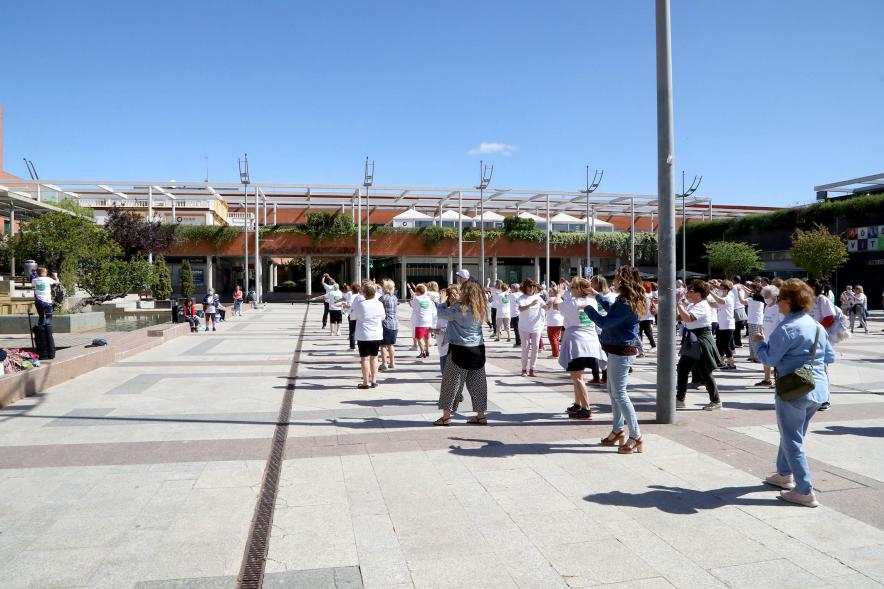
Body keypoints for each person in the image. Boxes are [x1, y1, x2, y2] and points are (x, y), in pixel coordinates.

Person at [755, 279, 836, 508]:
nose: (777, 302)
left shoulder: (787, 327)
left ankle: (804, 490)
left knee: (792, 439)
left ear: (790, 301)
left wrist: (759, 343)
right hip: (817, 388)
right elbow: (830, 357)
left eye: (780, 298)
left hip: (793, 388)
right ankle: (783, 474)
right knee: (793, 433)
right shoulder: (816, 325)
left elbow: (769, 359)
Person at [584, 266, 646, 454]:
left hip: (622, 351)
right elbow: (612, 312)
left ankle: (636, 435)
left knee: (619, 393)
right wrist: (596, 295)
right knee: (613, 391)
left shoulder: (627, 302)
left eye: (617, 278)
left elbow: (605, 322)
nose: (614, 281)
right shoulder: (625, 300)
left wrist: (586, 307)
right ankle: (618, 430)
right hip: (617, 349)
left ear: (624, 281)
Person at [433, 280, 489, 426]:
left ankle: (446, 417)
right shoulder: (481, 308)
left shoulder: (458, 308)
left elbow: (441, 314)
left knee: (451, 384)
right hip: (477, 349)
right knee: (478, 384)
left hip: (459, 349)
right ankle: (481, 416)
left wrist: (443, 301)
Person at [554, 277, 604, 420]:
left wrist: (559, 294)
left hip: (577, 343)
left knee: (578, 377)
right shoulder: (592, 301)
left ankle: (586, 409)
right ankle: (577, 404)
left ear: (579, 290)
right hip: (591, 342)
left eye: (572, 288)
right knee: (576, 376)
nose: (570, 290)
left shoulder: (572, 303)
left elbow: (556, 305)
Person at [675, 280, 723, 410]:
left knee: (705, 372)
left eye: (691, 291)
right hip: (693, 340)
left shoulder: (702, 305)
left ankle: (716, 400)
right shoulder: (693, 304)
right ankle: (680, 399)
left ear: (699, 294)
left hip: (701, 340)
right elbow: (679, 317)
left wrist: (678, 303)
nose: (688, 293)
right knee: (683, 369)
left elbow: (688, 318)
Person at [350, 281, 385, 389]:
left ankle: (365, 382)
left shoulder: (361, 305)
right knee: (374, 358)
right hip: (376, 334)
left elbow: (353, 317)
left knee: (364, 359)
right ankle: (374, 381)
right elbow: (383, 317)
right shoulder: (379, 304)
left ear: (364, 293)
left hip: (363, 335)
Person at [756, 284, 783, 387]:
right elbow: (764, 320)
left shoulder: (778, 307)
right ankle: (767, 379)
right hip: (766, 337)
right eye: (764, 296)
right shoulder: (767, 306)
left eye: (767, 296)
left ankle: (778, 381)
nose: (765, 298)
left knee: (777, 362)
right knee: (765, 359)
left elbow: (781, 323)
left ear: (774, 295)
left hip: (776, 338)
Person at [517, 279, 545, 377]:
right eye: (529, 286)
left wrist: (551, 303)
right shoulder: (521, 298)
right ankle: (524, 369)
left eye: (533, 287)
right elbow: (520, 308)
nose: (531, 289)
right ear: (525, 287)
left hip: (536, 327)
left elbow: (545, 307)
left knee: (535, 347)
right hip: (524, 327)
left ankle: (532, 368)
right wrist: (530, 305)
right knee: (525, 347)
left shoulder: (539, 298)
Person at [710, 280, 737, 370]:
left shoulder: (728, 297)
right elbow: (713, 305)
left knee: (726, 346)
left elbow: (719, 301)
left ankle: (732, 365)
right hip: (721, 325)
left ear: (726, 289)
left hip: (728, 325)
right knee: (719, 345)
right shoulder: (723, 296)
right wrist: (704, 297)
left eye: (721, 287)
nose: (719, 288)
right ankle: (721, 362)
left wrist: (709, 291)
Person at [434, 284, 460, 373]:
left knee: (447, 377)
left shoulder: (448, 311)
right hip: (452, 348)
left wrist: (430, 330)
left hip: (447, 349)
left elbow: (443, 330)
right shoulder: (460, 309)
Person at [410, 283, 437, 359]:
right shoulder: (428, 298)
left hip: (420, 321)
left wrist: (413, 297)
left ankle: (422, 352)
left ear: (418, 291)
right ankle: (427, 350)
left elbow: (412, 305)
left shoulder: (417, 299)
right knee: (427, 337)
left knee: (419, 338)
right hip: (428, 321)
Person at [379, 279, 399, 371]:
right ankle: (392, 362)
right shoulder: (395, 298)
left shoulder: (382, 298)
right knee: (391, 344)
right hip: (394, 323)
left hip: (385, 323)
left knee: (383, 345)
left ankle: (384, 363)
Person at [746, 283, 766, 362]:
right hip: (752, 320)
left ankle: (757, 356)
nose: (756, 289)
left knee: (756, 339)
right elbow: (751, 294)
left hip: (757, 320)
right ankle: (753, 356)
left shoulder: (761, 297)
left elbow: (752, 295)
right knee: (751, 339)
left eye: (758, 288)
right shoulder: (756, 296)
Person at [545, 287, 565, 358]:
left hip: (552, 321)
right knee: (556, 338)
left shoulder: (551, 299)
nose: (549, 292)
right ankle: (556, 352)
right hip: (560, 320)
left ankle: (555, 354)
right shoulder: (561, 299)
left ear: (554, 292)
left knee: (552, 338)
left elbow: (546, 308)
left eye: (550, 291)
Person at [638, 283, 656, 355]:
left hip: (643, 317)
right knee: (647, 333)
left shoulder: (643, 296)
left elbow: (643, 307)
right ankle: (652, 346)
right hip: (648, 317)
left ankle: (642, 349)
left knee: (641, 333)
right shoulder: (649, 295)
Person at [344, 283, 362, 351]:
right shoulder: (360, 296)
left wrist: (344, 305)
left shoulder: (352, 296)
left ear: (352, 289)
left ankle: (352, 347)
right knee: (359, 330)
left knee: (352, 331)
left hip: (353, 315)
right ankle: (359, 344)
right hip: (360, 315)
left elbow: (350, 305)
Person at [509, 283, 522, 347]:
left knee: (516, 329)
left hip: (515, 314)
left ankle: (518, 341)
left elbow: (505, 298)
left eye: (511, 288)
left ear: (514, 289)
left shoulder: (512, 295)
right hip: (521, 313)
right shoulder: (521, 294)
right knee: (521, 328)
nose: (511, 289)